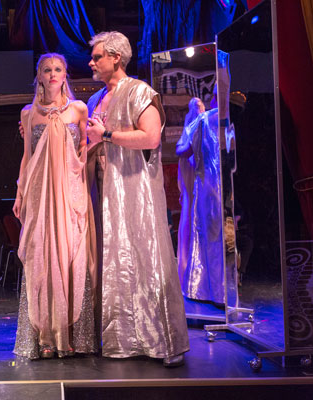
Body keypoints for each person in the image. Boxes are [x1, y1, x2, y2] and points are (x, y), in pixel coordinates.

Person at [85, 31, 189, 367]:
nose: (91, 61)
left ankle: (163, 341)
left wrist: (108, 135)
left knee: (146, 255)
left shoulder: (140, 91)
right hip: (103, 190)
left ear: (116, 57)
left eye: (97, 56)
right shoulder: (95, 99)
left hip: (135, 189)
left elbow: (150, 138)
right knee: (114, 260)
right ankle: (122, 340)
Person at [13, 53, 97, 359]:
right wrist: (21, 192)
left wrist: (79, 182)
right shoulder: (28, 113)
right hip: (39, 193)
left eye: (57, 69)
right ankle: (46, 337)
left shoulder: (78, 109)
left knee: (69, 255)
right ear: (39, 75)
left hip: (70, 191)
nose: (52, 74)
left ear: (65, 75)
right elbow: (26, 155)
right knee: (42, 259)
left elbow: (84, 147)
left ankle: (70, 334)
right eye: (46, 70)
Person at [176, 96, 225, 304]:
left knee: (208, 234)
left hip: (207, 182)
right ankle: (222, 290)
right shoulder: (209, 119)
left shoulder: (203, 120)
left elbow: (182, 149)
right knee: (216, 233)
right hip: (216, 181)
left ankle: (210, 289)